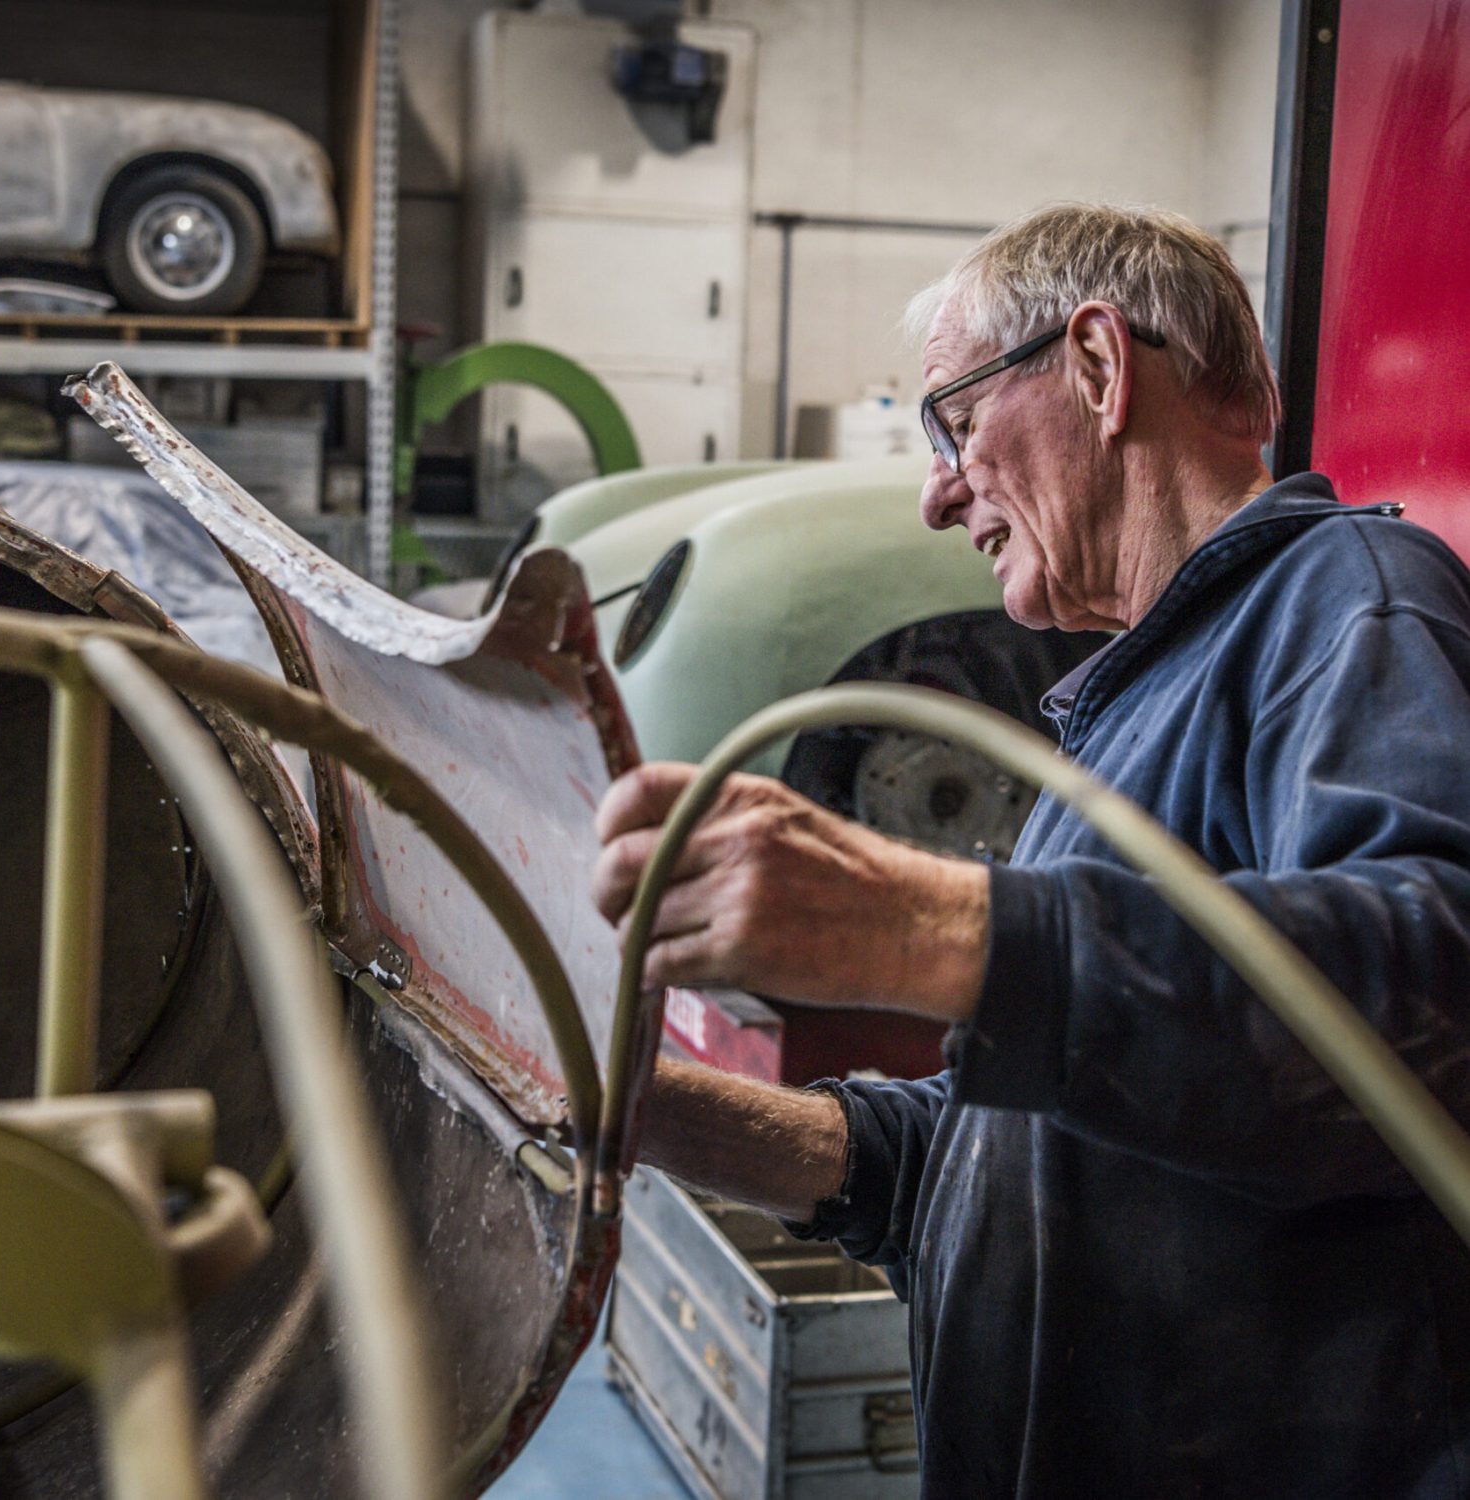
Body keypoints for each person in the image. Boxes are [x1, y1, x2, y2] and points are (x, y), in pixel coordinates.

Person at [592, 203, 1470, 1498]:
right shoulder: (1125, 713)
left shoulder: (1346, 598)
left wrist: (913, 923)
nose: (939, 495)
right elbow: (999, 1154)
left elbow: (1431, 994)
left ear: (1102, 368)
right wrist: (648, 1113)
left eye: (951, 423)